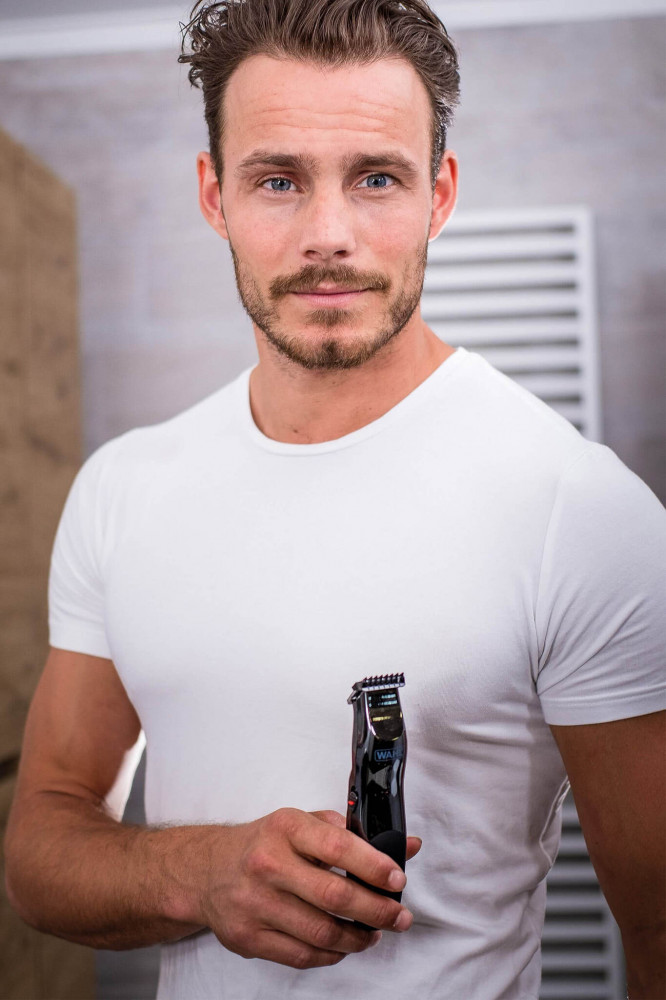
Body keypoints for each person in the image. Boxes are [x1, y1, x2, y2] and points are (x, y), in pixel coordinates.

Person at [4, 1, 665, 998]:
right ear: (214, 194)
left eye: (377, 178)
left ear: (440, 194)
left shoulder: (581, 510)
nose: (328, 236)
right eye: (278, 180)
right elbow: (39, 848)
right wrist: (201, 871)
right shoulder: (122, 491)